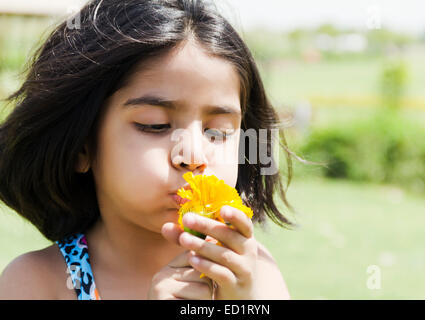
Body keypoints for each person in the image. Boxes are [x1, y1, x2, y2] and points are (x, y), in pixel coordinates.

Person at [0, 0, 298, 300]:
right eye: (155, 125)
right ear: (81, 146)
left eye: (217, 132)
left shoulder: (255, 277)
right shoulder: (37, 281)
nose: (193, 156)